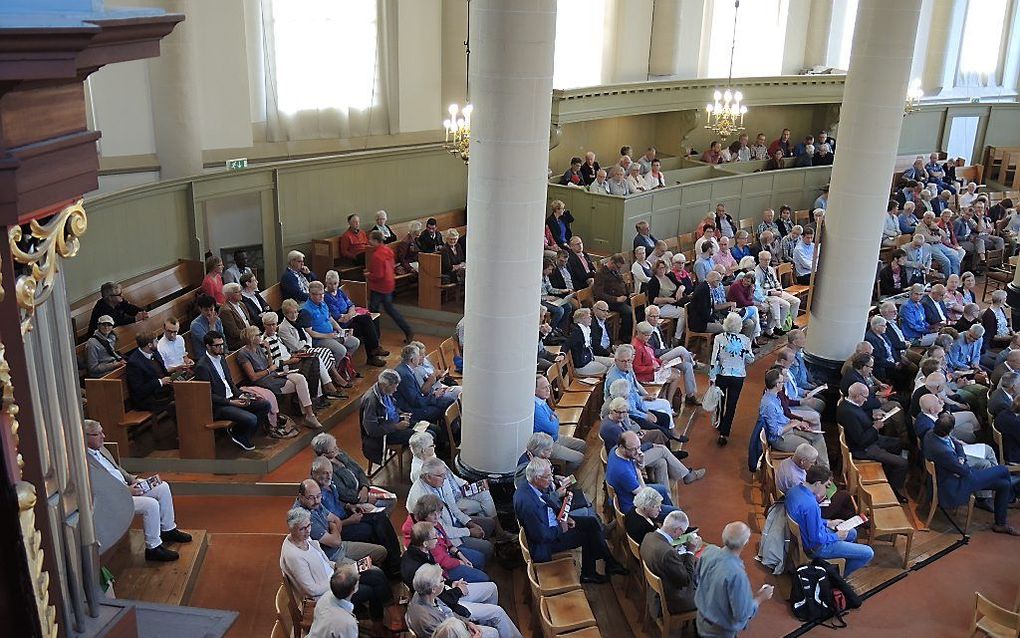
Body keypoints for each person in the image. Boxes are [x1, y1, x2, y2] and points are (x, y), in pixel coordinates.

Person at [84, 419, 190, 561]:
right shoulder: (84, 462)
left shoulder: (101, 448)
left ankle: (168, 530)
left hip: (125, 486)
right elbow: (99, 490)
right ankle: (153, 548)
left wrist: (132, 479)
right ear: (85, 437)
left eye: (102, 431)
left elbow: (117, 469)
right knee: (150, 504)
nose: (103, 436)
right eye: (97, 434)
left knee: (162, 487)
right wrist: (127, 491)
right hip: (114, 498)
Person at [514, 457, 628, 583]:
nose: (551, 479)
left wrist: (564, 517)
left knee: (592, 522)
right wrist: (560, 528)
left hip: (553, 522)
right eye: (548, 477)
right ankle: (591, 572)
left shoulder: (529, 486)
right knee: (588, 536)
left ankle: (609, 562)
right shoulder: (528, 504)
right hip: (546, 543)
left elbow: (546, 502)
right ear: (537, 478)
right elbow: (541, 535)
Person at [281, 512, 392, 638]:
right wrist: (336, 580)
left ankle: (385, 615)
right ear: (292, 529)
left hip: (334, 577)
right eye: (302, 528)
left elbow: (325, 562)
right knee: (371, 590)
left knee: (374, 575)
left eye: (309, 526)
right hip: (327, 594)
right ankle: (378, 627)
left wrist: (342, 568)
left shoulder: (305, 538)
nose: (307, 531)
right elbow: (311, 590)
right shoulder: (294, 556)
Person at [923, 418, 1020, 535]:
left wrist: (961, 458)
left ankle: (1000, 524)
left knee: (1004, 484)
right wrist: (961, 462)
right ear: (950, 430)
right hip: (954, 485)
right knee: (1003, 470)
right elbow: (964, 470)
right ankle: (1012, 495)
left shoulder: (931, 433)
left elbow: (957, 444)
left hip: (957, 475)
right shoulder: (943, 452)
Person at [407, 457, 502, 562]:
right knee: (488, 547)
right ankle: (477, 563)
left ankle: (476, 554)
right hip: (445, 538)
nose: (445, 478)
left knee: (490, 524)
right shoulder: (421, 498)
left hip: (454, 523)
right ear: (428, 477)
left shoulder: (442, 481)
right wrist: (469, 532)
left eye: (445, 474)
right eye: (441, 475)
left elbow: (454, 508)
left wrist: (469, 523)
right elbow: (442, 530)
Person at [786, 465, 875, 575]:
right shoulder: (811, 505)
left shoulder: (794, 490)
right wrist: (836, 537)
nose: (827, 490)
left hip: (807, 536)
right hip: (816, 548)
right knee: (868, 553)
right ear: (818, 483)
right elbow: (816, 540)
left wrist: (828, 522)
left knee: (852, 533)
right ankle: (838, 578)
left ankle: (841, 561)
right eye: (826, 486)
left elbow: (807, 520)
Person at [695, 522, 773, 637]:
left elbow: (697, 579)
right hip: (719, 632)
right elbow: (742, 614)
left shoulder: (708, 551)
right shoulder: (737, 575)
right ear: (745, 542)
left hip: (700, 620)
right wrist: (760, 598)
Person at [193, 331, 268, 451]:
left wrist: (242, 395)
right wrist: (231, 402)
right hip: (220, 406)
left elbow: (230, 382)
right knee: (251, 418)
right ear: (207, 346)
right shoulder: (202, 367)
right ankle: (240, 435)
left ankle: (241, 434)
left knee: (264, 404)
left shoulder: (222, 359)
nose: (221, 348)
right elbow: (207, 395)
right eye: (217, 345)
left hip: (233, 397)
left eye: (222, 344)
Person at [237, 326, 323, 429]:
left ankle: (309, 415)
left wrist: (268, 350)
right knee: (300, 385)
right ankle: (308, 415)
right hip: (263, 381)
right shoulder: (243, 354)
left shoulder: (258, 348)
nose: (260, 336)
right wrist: (270, 370)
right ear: (251, 337)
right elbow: (253, 377)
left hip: (272, 375)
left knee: (300, 378)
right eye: (258, 335)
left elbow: (269, 365)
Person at [406, 563, 522, 638]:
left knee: (496, 612)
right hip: (457, 632)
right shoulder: (428, 621)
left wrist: (467, 623)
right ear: (433, 589)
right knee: (493, 633)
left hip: (458, 624)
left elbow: (448, 614)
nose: (444, 581)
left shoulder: (423, 593)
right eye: (442, 581)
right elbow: (450, 633)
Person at [838, 382, 908, 499]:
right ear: (857, 396)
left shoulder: (849, 404)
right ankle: (893, 492)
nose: (866, 400)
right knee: (902, 463)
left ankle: (889, 472)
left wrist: (873, 418)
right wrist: (875, 427)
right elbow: (861, 441)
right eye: (865, 397)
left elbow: (861, 423)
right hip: (862, 449)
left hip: (868, 439)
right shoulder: (849, 413)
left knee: (898, 443)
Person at [401, 498, 489, 583]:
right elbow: (441, 560)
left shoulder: (432, 522)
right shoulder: (423, 533)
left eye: (438, 513)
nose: (437, 517)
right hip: (443, 569)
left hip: (448, 553)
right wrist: (460, 562)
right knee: (484, 579)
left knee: (480, 558)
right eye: (432, 514)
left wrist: (459, 554)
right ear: (423, 516)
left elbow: (446, 540)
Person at [760, 368, 828, 461]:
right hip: (780, 439)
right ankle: (815, 469)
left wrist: (797, 422)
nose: (783, 384)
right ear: (777, 385)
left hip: (787, 428)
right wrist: (793, 424)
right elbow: (775, 432)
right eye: (781, 382)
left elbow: (782, 416)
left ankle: (823, 468)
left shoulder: (775, 396)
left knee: (817, 436)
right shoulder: (769, 404)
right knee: (807, 447)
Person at [709, 313, 755, 446]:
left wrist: (712, 377)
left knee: (720, 401)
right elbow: (751, 359)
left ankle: (719, 423)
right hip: (738, 376)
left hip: (722, 374)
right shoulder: (745, 340)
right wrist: (744, 353)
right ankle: (724, 433)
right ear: (740, 325)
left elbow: (714, 359)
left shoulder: (719, 338)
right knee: (732, 404)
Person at [322, 270, 387, 366]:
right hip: (340, 326)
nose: (333, 286)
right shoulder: (326, 297)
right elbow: (339, 318)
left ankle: (374, 350)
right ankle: (373, 354)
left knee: (366, 319)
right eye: (330, 284)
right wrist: (350, 313)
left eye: (335, 283)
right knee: (365, 327)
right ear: (326, 283)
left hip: (350, 319)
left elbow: (351, 305)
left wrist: (349, 313)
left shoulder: (339, 292)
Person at [641, 510, 699, 614]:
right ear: (677, 530)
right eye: (682, 532)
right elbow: (686, 580)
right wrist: (690, 551)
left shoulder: (648, 536)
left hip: (656, 589)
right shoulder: (668, 553)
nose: (681, 535)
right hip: (673, 599)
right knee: (710, 595)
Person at [776, 444, 855, 519]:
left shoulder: (786, 462)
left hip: (796, 502)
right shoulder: (794, 479)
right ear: (802, 461)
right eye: (811, 462)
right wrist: (821, 495)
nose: (813, 464)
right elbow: (806, 500)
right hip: (808, 511)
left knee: (840, 500)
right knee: (845, 495)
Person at [367, 230, 414, 343]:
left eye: (370, 239)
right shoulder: (388, 250)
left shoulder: (377, 255)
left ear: (375, 241)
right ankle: (407, 330)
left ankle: (375, 337)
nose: (369, 241)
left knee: (374, 311)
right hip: (389, 283)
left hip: (379, 287)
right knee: (390, 309)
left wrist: (368, 275)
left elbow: (378, 275)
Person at [533, 375, 587, 471]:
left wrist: (553, 420)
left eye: (548, 386)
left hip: (555, 437)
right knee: (579, 458)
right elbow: (553, 427)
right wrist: (554, 420)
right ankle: (564, 477)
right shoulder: (536, 408)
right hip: (548, 445)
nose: (548, 390)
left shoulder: (542, 401)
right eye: (544, 388)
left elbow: (555, 417)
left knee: (582, 445)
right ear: (535, 390)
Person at [304, 281, 361, 366]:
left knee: (355, 342)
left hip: (332, 334)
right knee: (341, 350)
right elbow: (309, 332)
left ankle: (343, 366)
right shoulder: (306, 310)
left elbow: (330, 318)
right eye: (318, 294)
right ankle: (333, 370)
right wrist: (327, 336)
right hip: (319, 339)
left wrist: (340, 330)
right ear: (311, 294)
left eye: (322, 293)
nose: (321, 296)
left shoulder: (323, 304)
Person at [396, 345, 456, 423]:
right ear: (412, 360)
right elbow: (415, 401)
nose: (421, 358)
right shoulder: (405, 374)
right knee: (446, 403)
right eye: (419, 356)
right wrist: (434, 397)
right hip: (409, 410)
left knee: (447, 401)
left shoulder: (407, 369)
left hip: (416, 402)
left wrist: (433, 394)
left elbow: (416, 395)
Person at [125, 332, 174, 415]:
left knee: (184, 392)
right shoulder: (134, 363)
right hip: (148, 398)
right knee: (177, 402)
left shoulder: (154, 352)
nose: (158, 343)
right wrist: (160, 382)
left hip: (162, 391)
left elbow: (163, 372)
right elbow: (139, 390)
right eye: (156, 341)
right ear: (149, 345)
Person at [593, 253, 633, 339]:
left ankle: (633, 331)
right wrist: (616, 299)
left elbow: (622, 283)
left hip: (622, 298)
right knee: (628, 312)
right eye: (618, 267)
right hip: (610, 301)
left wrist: (629, 293)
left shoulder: (615, 271)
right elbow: (599, 293)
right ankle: (624, 335)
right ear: (612, 262)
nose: (619, 269)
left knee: (638, 307)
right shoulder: (601, 273)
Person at [219, 282, 255, 351]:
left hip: (248, 335)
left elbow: (249, 321)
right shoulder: (225, 310)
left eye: (240, 291)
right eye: (237, 292)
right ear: (229, 295)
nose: (240, 293)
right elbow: (234, 332)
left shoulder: (242, 304)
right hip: (237, 341)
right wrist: (250, 333)